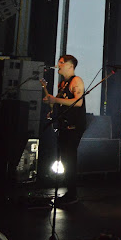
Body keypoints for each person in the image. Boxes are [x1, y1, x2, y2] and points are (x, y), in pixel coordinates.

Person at [43, 54, 86, 205]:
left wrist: (55, 100)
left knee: (69, 159)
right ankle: (68, 192)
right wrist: (53, 109)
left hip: (74, 126)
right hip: (64, 126)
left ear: (70, 65)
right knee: (65, 159)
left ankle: (72, 194)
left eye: (61, 62)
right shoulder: (62, 84)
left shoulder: (76, 81)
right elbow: (62, 104)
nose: (58, 65)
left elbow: (78, 103)